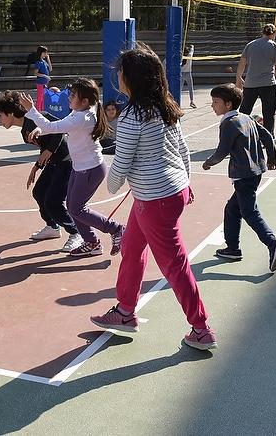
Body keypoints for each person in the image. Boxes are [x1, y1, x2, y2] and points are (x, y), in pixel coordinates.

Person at [90, 42, 217, 352]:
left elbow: (122, 160)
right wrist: (186, 182)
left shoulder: (133, 115)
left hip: (155, 200)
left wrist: (111, 184)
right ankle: (124, 312)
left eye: (120, 71)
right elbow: (183, 150)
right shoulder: (164, 105)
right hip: (164, 193)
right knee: (132, 249)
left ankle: (200, 328)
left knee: (175, 264)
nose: (117, 75)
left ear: (131, 77)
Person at [18, 78, 125, 258]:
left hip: (90, 170)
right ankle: (91, 242)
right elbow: (57, 127)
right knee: (73, 206)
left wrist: (31, 110)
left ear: (84, 101)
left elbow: (53, 126)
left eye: (73, 95)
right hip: (81, 167)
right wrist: (40, 130)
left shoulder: (82, 118)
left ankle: (116, 229)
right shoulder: (79, 112)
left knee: (76, 208)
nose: (69, 97)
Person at [202, 84, 276, 272]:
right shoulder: (246, 117)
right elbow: (268, 137)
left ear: (228, 104)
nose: (212, 105)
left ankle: (272, 243)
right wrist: (272, 158)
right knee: (232, 209)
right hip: (255, 173)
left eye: (216, 102)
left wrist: (208, 162)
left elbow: (221, 151)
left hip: (244, 175)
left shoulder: (228, 123)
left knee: (249, 212)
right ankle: (233, 249)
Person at [0, 90, 83, 252]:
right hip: (54, 162)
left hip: (68, 161)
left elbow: (60, 129)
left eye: (0, 116)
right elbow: (45, 146)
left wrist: (49, 151)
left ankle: (76, 233)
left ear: (11, 113)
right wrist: (37, 167)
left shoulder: (37, 117)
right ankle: (53, 227)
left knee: (53, 201)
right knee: (39, 193)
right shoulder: (24, 131)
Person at [235, 23, 276, 136]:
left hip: (250, 84)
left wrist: (238, 78)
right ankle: (268, 136)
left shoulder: (250, 45)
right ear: (274, 34)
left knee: (244, 112)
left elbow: (242, 62)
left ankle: (239, 135)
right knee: (268, 113)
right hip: (268, 84)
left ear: (262, 33)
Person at [33, 46, 53, 110]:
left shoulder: (44, 61)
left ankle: (41, 111)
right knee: (40, 99)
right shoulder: (38, 62)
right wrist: (45, 76)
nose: (46, 54)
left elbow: (50, 69)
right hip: (40, 83)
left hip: (45, 83)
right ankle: (38, 111)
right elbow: (35, 73)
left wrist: (48, 59)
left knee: (43, 99)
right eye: (44, 52)